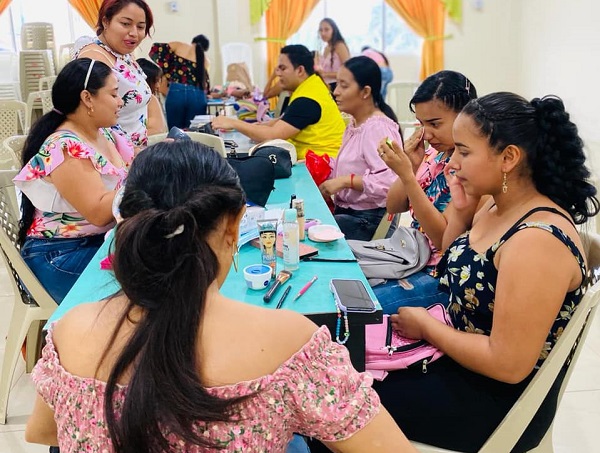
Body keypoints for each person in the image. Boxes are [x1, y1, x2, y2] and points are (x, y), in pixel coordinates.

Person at [24, 141, 417, 453]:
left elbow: (43, 431)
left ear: (127, 221)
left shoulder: (68, 331)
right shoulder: (291, 347)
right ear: (235, 224)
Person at [373, 92, 599, 452]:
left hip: (498, 403)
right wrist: (461, 213)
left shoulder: (537, 241)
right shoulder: (496, 204)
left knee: (338, 403)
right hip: (458, 363)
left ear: (508, 157)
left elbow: (508, 365)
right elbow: (450, 267)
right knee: (338, 368)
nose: (453, 163)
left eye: (464, 152)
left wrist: (427, 327)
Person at [13, 58, 133, 304]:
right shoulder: (64, 146)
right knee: (152, 281)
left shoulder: (107, 134)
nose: (120, 102)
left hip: (98, 242)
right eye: (113, 94)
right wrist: (143, 177)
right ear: (88, 98)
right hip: (59, 254)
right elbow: (99, 213)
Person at [374, 70, 477, 314]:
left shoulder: (470, 166)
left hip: (437, 273)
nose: (427, 134)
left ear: (467, 116)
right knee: (348, 282)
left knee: (363, 308)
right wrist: (409, 166)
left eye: (435, 124)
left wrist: (409, 178)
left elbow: (443, 241)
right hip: (409, 255)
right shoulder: (433, 153)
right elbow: (394, 205)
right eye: (421, 124)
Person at [318, 56, 401, 241]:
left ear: (365, 92)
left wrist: (346, 181)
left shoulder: (377, 128)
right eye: (336, 84)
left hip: (368, 219)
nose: (336, 92)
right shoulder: (356, 124)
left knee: (314, 233)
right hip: (351, 213)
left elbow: (389, 184)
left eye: (344, 86)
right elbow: (355, 164)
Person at [212, 44, 346, 159]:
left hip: (323, 167)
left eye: (283, 68)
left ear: (300, 70)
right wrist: (260, 126)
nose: (278, 74)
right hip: (318, 160)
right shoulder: (311, 87)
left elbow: (272, 135)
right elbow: (286, 120)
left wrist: (233, 123)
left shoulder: (307, 99)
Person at [74, 0, 154, 149]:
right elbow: (94, 119)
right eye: (125, 24)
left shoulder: (123, 54)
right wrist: (132, 153)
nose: (134, 33)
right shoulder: (94, 56)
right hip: (113, 155)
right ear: (106, 21)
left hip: (134, 153)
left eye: (141, 27)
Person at [149, 34, 211, 130]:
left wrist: (167, 71)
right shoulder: (206, 61)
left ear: (193, 41)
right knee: (195, 133)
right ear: (205, 48)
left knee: (175, 132)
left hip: (176, 91)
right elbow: (205, 84)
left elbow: (156, 49)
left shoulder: (179, 46)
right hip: (197, 96)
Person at [316, 18, 350, 91]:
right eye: (321, 30)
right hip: (326, 86)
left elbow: (348, 70)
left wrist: (325, 74)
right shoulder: (326, 48)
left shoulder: (340, 46)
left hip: (338, 86)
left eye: (326, 30)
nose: (323, 33)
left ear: (333, 30)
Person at [136, 57, 167, 136]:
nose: (158, 85)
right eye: (155, 81)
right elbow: (158, 130)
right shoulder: (150, 99)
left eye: (159, 81)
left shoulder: (152, 98)